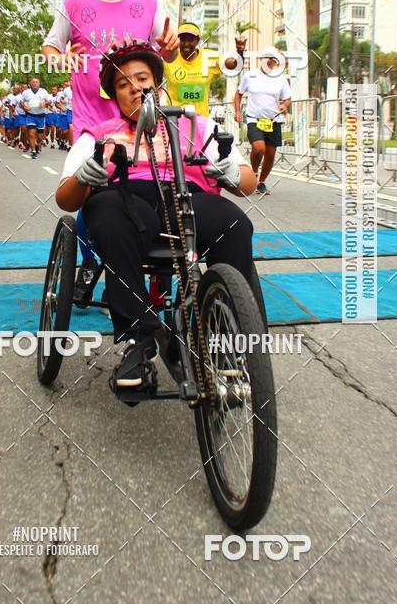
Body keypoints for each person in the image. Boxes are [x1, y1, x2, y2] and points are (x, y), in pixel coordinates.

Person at [55, 42, 257, 390]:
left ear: (158, 85)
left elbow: (247, 181)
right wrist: (84, 178)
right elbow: (65, 200)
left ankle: (227, 337)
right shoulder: (98, 135)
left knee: (236, 223)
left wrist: (235, 175)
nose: (134, 87)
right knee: (111, 217)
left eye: (141, 78)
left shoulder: (195, 125)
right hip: (125, 200)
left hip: (186, 200)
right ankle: (137, 339)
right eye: (122, 84)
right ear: (115, 96)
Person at [42, 0, 178, 298]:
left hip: (139, 118)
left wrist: (169, 48)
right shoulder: (72, 2)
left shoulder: (149, 1)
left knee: (153, 183)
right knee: (89, 188)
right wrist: (61, 58)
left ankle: (156, 268)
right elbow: (51, 48)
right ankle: (90, 260)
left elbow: (165, 54)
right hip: (91, 120)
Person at [234, 48, 292, 196]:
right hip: (254, 118)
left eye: (273, 59)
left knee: (271, 154)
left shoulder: (281, 78)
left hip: (274, 120)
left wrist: (284, 105)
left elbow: (287, 98)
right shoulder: (250, 76)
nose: (270, 61)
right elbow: (238, 94)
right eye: (267, 58)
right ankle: (253, 173)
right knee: (259, 148)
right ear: (262, 59)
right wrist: (238, 112)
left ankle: (261, 182)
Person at [162, 21, 220, 117]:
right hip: (174, 121)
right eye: (183, 39)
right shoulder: (169, 57)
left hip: (201, 122)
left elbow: (232, 65)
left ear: (197, 41)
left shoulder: (209, 57)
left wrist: (240, 53)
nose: (186, 44)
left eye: (191, 40)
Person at [21, 77, 50, 159]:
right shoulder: (26, 92)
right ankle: (33, 151)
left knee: (40, 136)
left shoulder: (43, 91)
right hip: (30, 115)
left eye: (36, 82)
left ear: (39, 83)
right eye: (33, 82)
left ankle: (38, 143)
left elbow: (49, 101)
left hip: (40, 115)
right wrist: (24, 107)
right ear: (30, 84)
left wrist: (45, 103)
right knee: (31, 133)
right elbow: (21, 102)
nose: (34, 84)